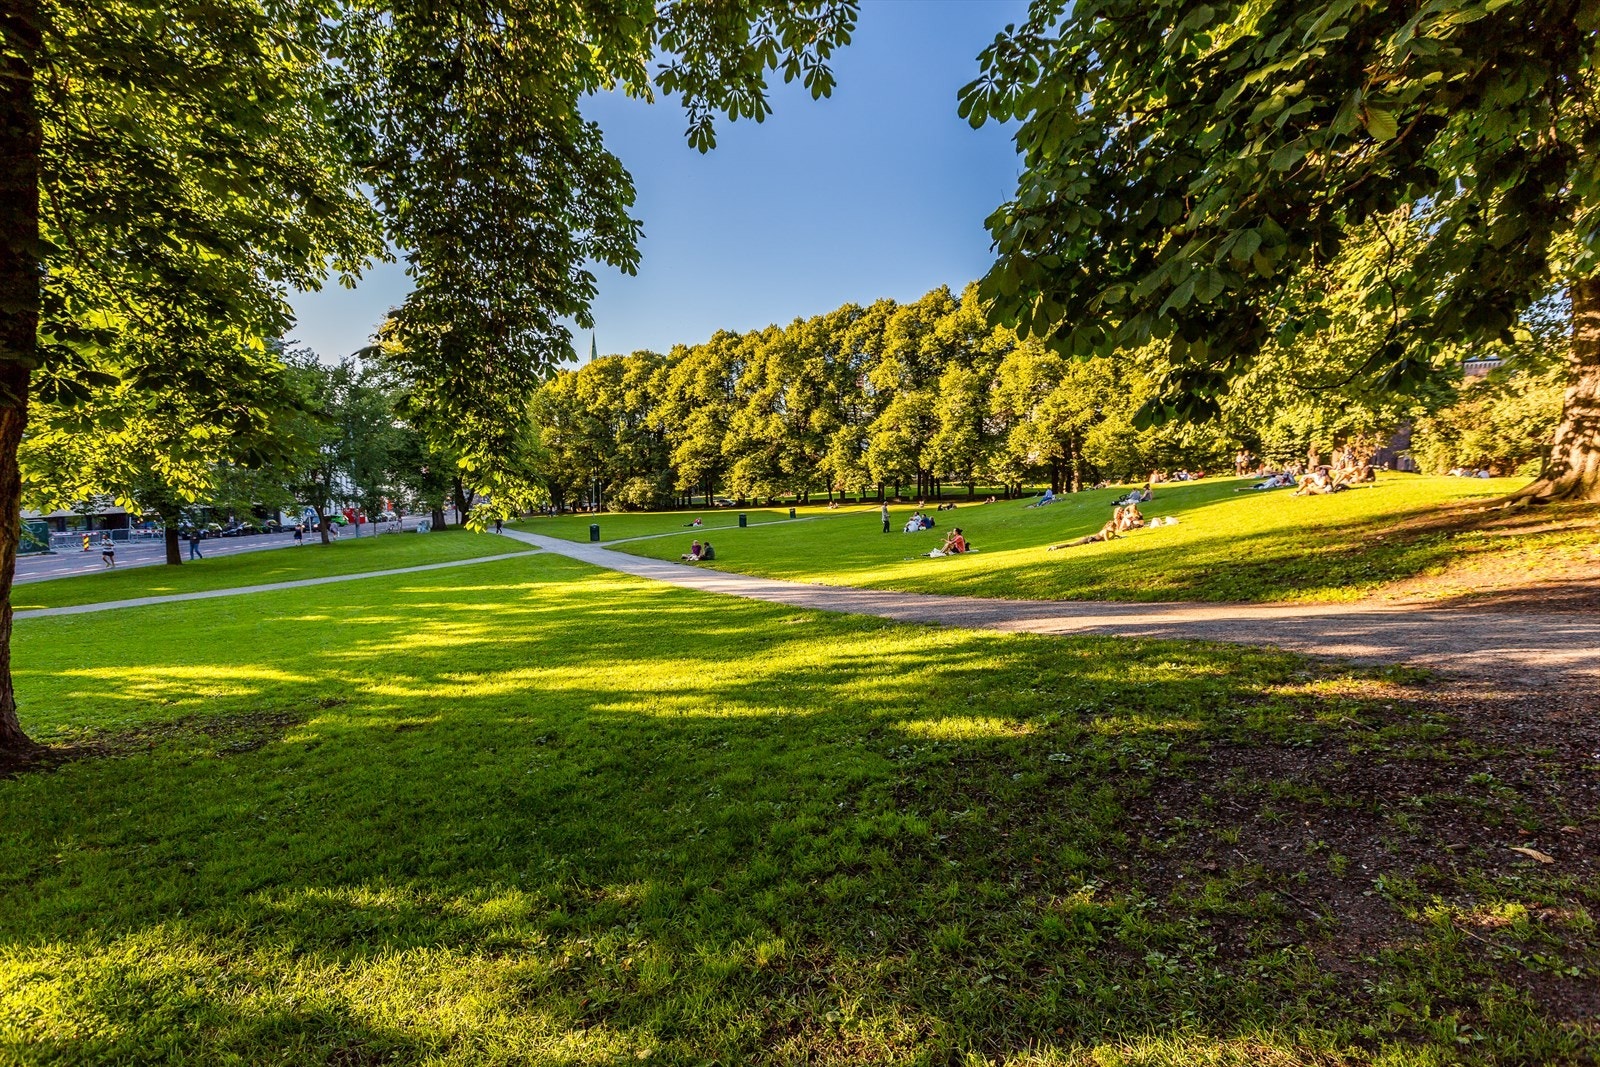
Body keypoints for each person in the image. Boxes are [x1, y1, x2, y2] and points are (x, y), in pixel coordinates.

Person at [1047, 518, 1119, 550]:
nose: (1114, 529)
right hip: (1088, 539)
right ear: (1109, 526)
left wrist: (1114, 535)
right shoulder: (1105, 531)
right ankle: (1055, 547)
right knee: (1072, 545)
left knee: (1072, 545)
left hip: (1090, 540)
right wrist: (1114, 535)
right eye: (1114, 527)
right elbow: (1107, 541)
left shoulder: (1105, 531)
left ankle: (1055, 547)